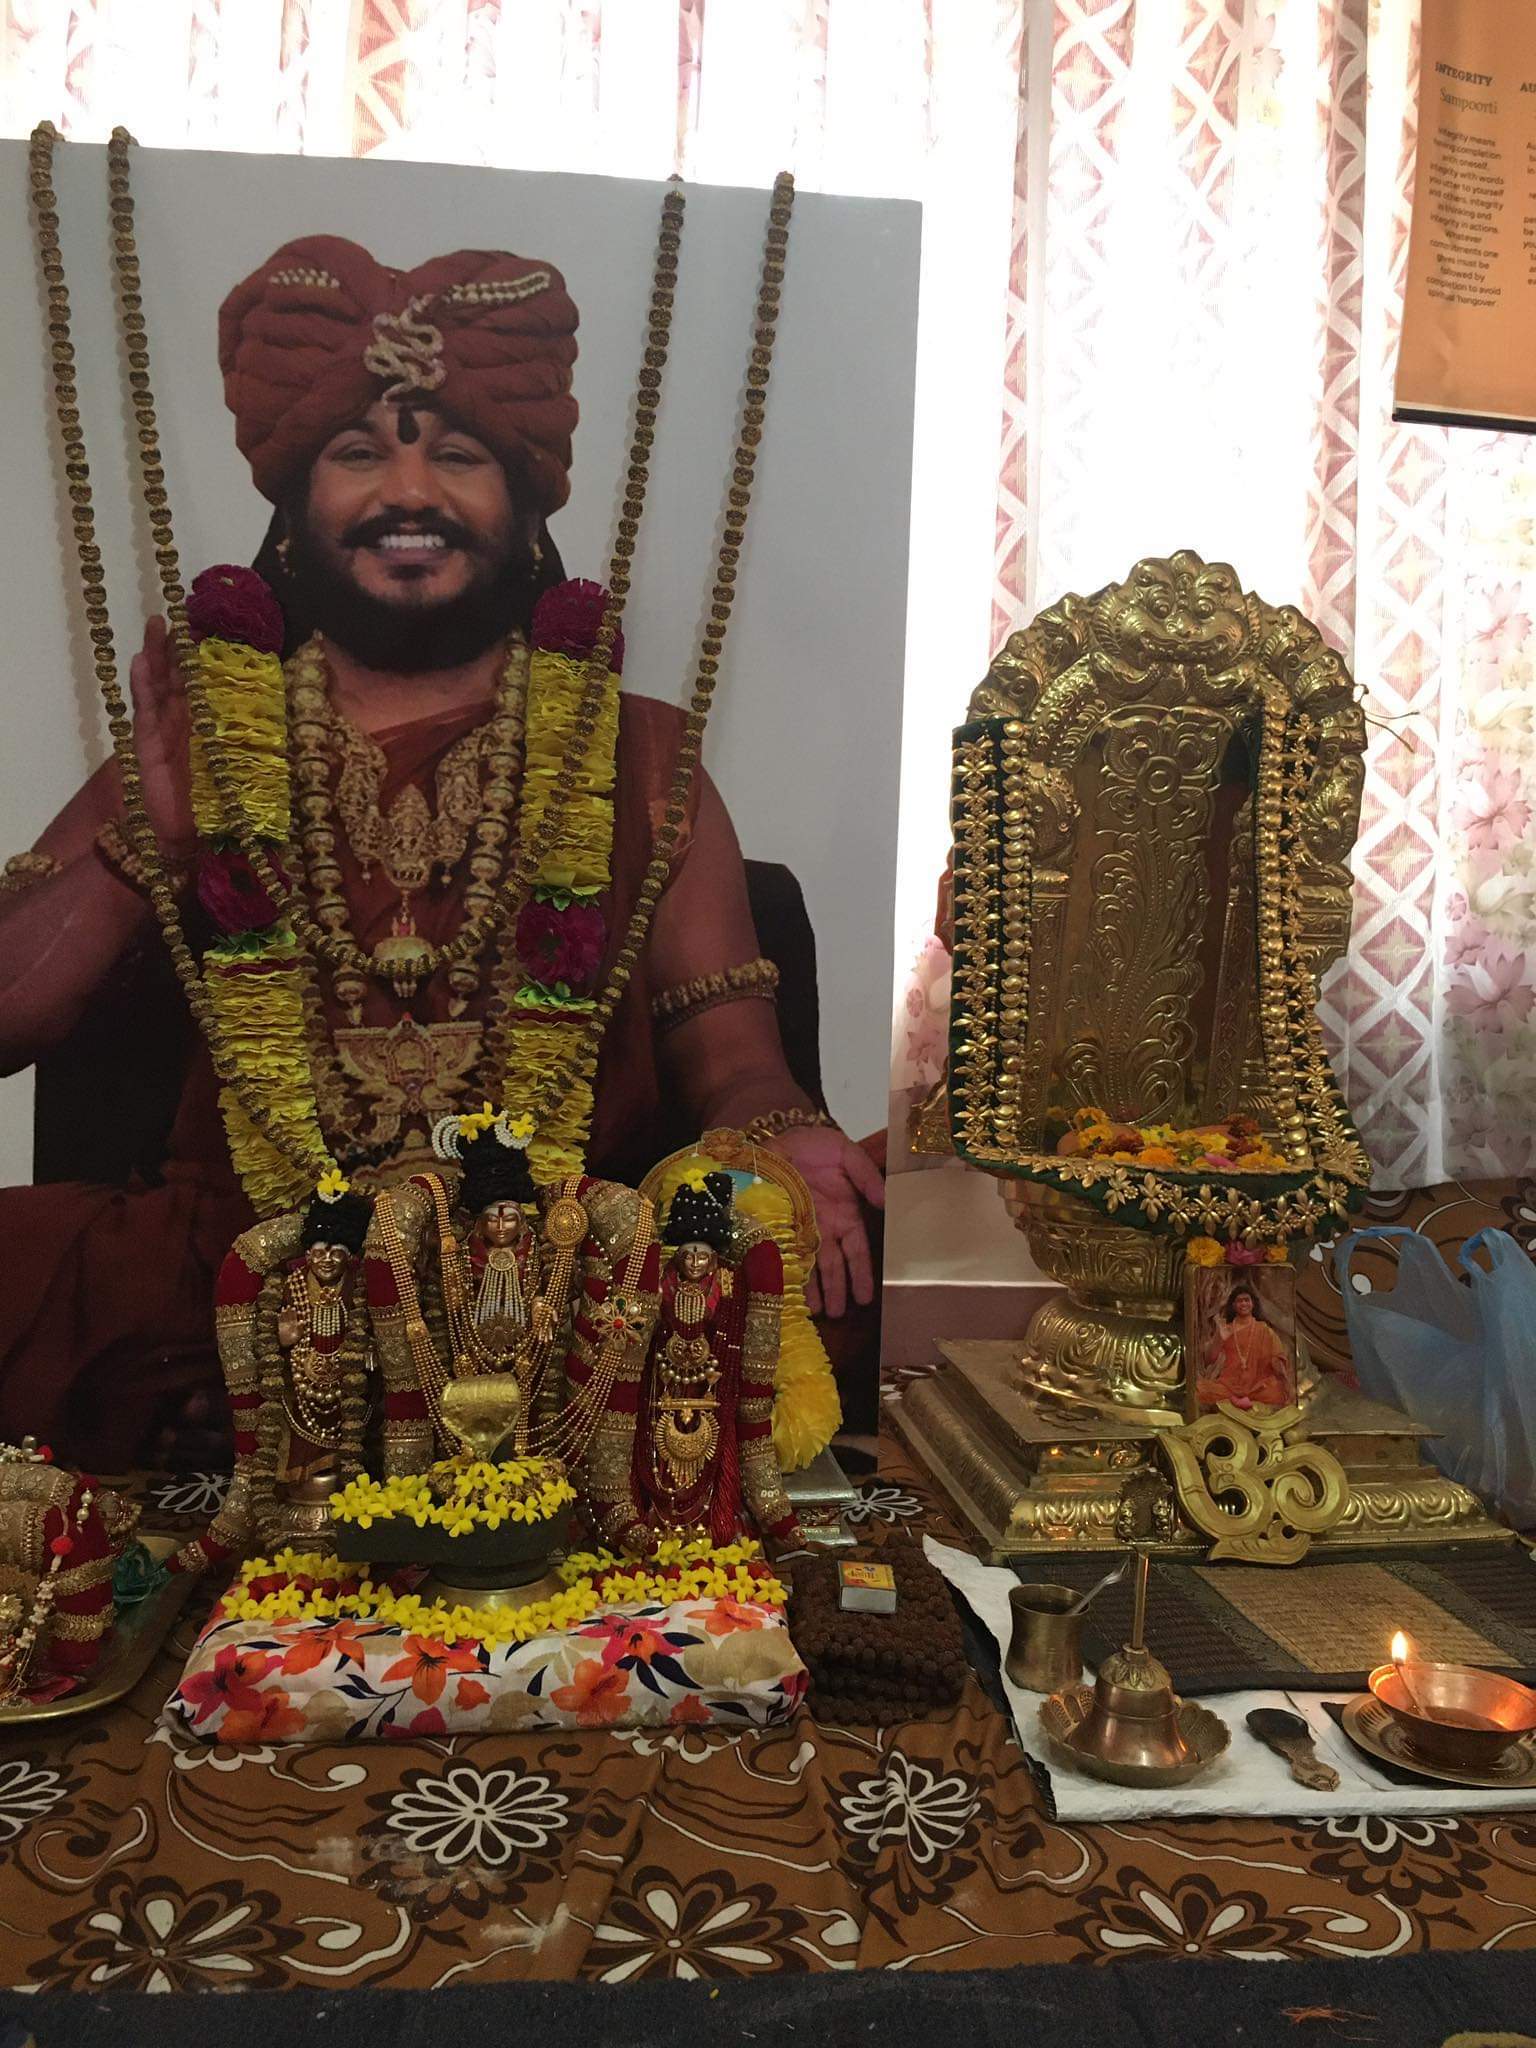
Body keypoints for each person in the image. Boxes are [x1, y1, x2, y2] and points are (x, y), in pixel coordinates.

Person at [0, 232, 881, 1469]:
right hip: (237, 1271)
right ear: (295, 505)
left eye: (457, 455)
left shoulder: (641, 756)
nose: (408, 493)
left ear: (525, 507)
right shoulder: (210, 733)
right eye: (359, 452)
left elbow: (734, 1060)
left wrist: (779, 1132)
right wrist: (146, 836)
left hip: (551, 1281)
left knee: (831, 1245)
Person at [1195, 1283, 1292, 1411]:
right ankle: (1239, 1400)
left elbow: (1277, 1356)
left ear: (1253, 1304)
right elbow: (1209, 1359)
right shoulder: (1226, 1329)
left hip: (1257, 1387)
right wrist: (1219, 1338)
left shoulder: (1264, 1330)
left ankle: (1238, 1401)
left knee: (1277, 1391)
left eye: (1247, 1300)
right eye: (1239, 1301)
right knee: (1200, 1390)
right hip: (1230, 1385)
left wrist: (1279, 1367)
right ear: (1233, 1305)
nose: (1243, 1304)